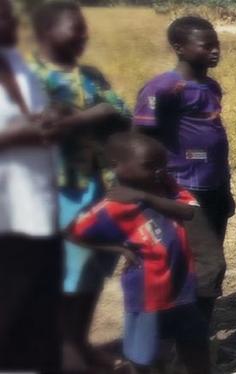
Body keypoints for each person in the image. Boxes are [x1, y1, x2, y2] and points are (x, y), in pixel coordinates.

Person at [28, 2, 132, 370]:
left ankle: (77, 341)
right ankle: (62, 350)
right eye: (74, 28)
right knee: (65, 274)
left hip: (94, 185)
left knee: (92, 269)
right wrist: (95, 115)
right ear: (44, 33)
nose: (83, 35)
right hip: (54, 192)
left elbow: (119, 111)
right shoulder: (30, 80)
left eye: (83, 28)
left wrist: (78, 119)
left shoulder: (88, 75)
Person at [68, 132, 210, 374]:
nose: (158, 171)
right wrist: (116, 247)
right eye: (149, 166)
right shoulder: (114, 206)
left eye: (161, 165)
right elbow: (75, 232)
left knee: (196, 344)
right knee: (146, 357)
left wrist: (145, 197)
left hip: (182, 288)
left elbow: (188, 212)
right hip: (147, 296)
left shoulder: (166, 187)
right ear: (116, 167)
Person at [133, 16, 232, 327]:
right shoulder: (162, 89)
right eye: (207, 46)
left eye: (217, 45)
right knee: (209, 265)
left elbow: (214, 140)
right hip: (183, 189)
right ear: (179, 47)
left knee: (203, 265)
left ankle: (198, 338)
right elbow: (141, 141)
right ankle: (189, 343)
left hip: (212, 187)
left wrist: (225, 189)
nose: (215, 51)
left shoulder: (211, 87)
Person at [0, 0, 61, 370]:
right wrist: (13, 136)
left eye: (10, 15)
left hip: (39, 204)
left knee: (41, 302)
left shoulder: (17, 63)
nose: (10, 23)